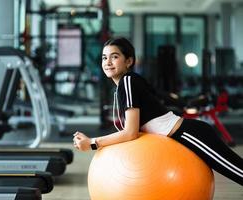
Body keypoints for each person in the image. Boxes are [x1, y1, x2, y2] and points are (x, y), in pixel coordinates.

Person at [72, 37, 243, 185]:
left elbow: (130, 132)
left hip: (189, 134)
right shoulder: (124, 85)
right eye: (104, 57)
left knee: (237, 172)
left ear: (129, 61)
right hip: (180, 137)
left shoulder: (128, 81)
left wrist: (92, 143)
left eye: (114, 57)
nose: (107, 62)